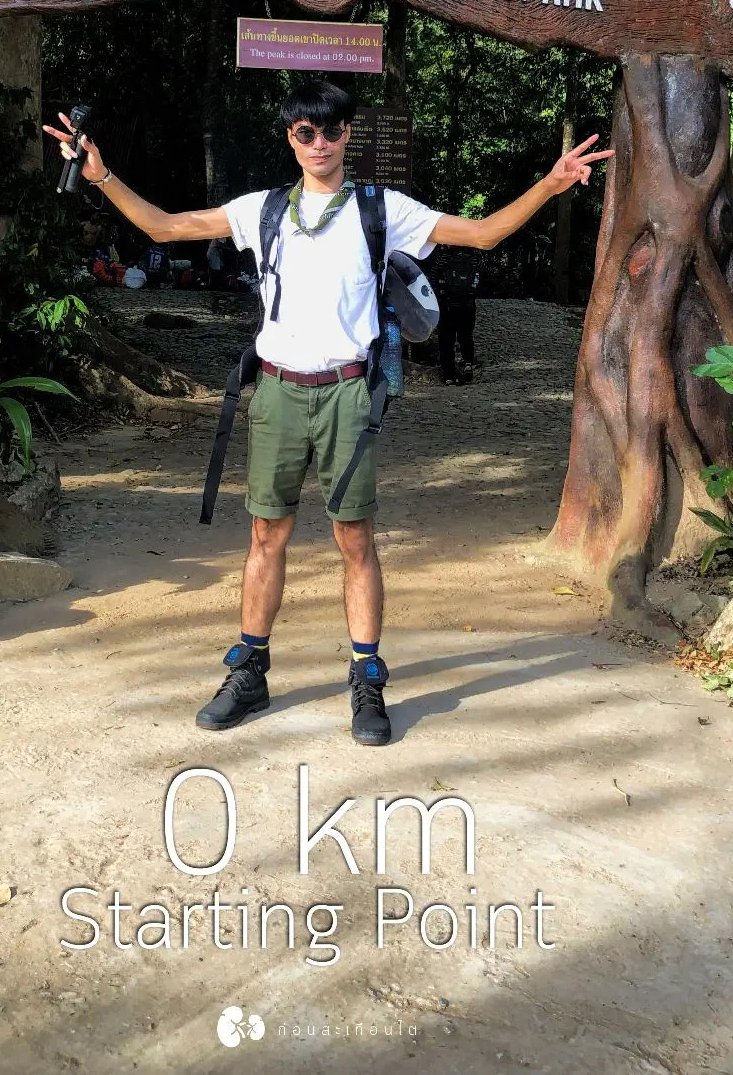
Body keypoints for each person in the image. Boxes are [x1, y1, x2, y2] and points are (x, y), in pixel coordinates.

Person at [45, 79, 610, 746]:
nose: (320, 143)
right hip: (277, 391)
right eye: (306, 132)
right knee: (266, 535)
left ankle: (366, 677)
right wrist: (102, 175)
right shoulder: (263, 210)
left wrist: (552, 182)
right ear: (291, 138)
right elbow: (166, 227)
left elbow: (483, 235)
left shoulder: (380, 209)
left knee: (355, 539)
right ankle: (249, 670)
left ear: (348, 135)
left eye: (332, 131)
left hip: (347, 393)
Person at [433, 246, 481, 384]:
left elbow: (433, 278)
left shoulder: (442, 259)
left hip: (447, 305)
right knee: (466, 335)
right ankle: (467, 362)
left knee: (446, 340)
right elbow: (481, 278)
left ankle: (449, 375)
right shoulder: (473, 259)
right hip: (467, 304)